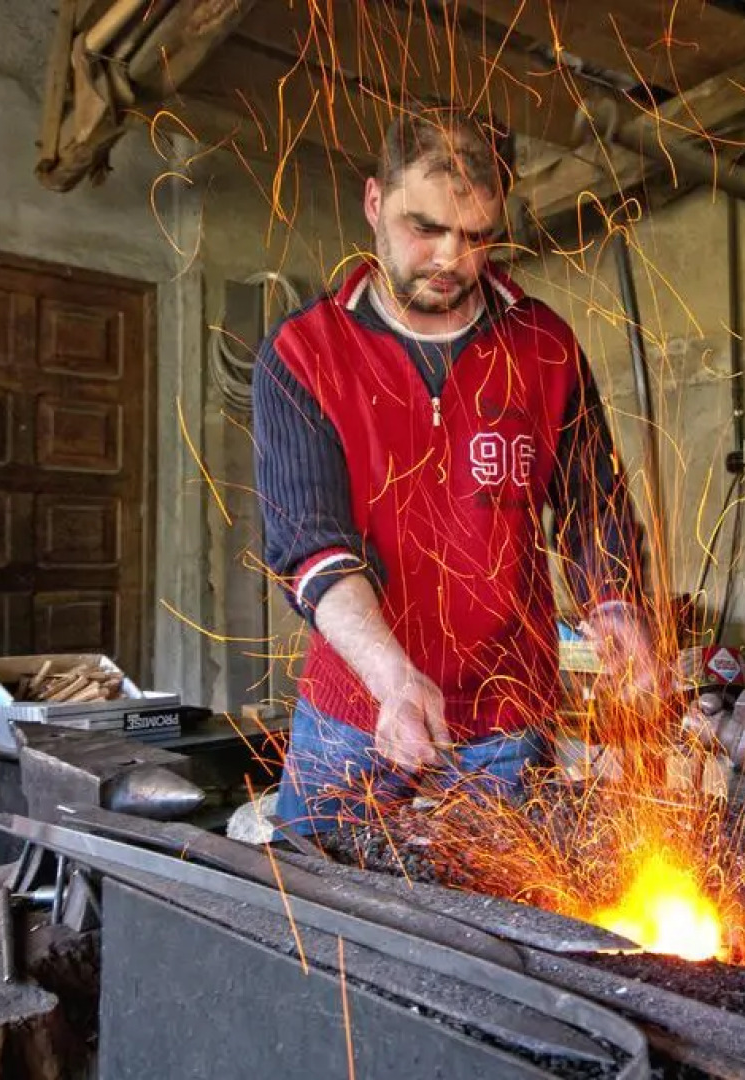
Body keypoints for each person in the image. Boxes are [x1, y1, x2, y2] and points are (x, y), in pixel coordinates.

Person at [252, 104, 662, 836]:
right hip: (353, 715)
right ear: (374, 202)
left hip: (509, 723)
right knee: (315, 928)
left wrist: (617, 609)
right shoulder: (305, 353)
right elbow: (312, 550)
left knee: (501, 936)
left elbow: (591, 508)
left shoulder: (544, 346)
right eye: (425, 227)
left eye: (476, 236)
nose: (452, 260)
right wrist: (393, 680)